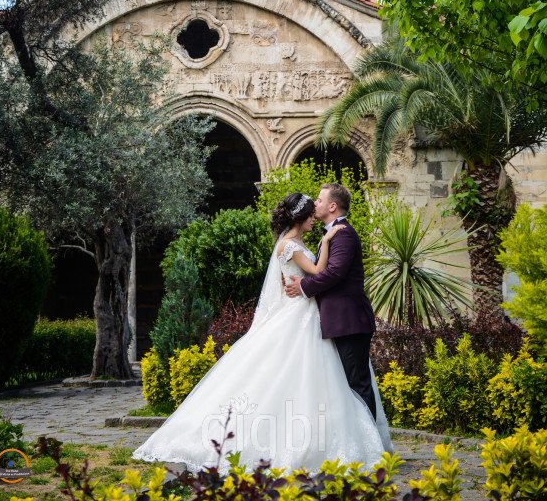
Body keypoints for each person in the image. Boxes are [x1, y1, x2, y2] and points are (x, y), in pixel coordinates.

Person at [132, 192, 391, 473]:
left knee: (322, 380)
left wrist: (306, 280)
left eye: (320, 200)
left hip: (316, 315)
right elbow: (318, 270)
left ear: (330, 206)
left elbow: (324, 273)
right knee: (304, 378)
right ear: (302, 217)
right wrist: (316, 261)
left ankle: (342, 440)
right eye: (312, 206)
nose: (315, 210)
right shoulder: (295, 244)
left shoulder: (323, 237)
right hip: (303, 315)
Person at [285, 183, 377, 419]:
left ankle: (372, 446)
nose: (314, 204)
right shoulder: (331, 233)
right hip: (339, 321)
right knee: (347, 384)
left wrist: (303, 286)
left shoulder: (343, 233)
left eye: (319, 200)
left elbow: (335, 273)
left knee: (358, 384)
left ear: (332, 206)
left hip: (349, 321)